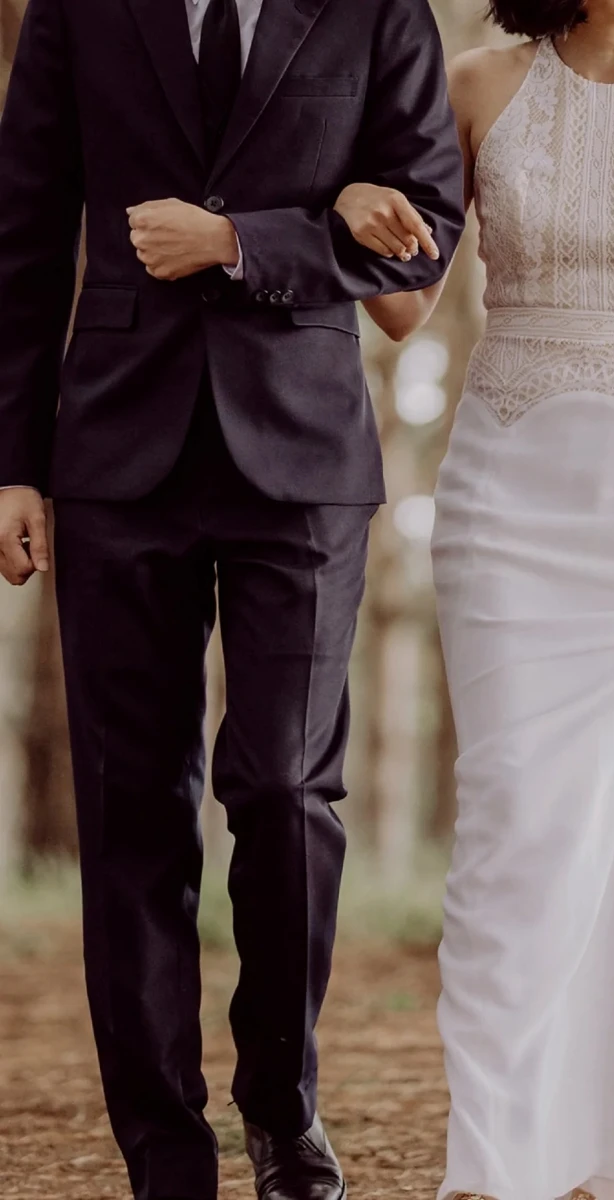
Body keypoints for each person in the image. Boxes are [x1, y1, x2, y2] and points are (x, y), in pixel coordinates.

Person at [0, 2, 464, 1198]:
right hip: (112, 453)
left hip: (302, 460)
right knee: (131, 807)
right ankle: (162, 1146)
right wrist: (13, 459)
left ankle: (282, 1109)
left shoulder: (376, 14)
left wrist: (243, 241)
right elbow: (24, 228)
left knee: (287, 788)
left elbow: (424, 239)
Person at [350, 1, 614, 1197]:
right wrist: (352, 208)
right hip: (503, 499)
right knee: (509, 824)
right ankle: (495, 1161)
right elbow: (401, 305)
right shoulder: (476, 83)